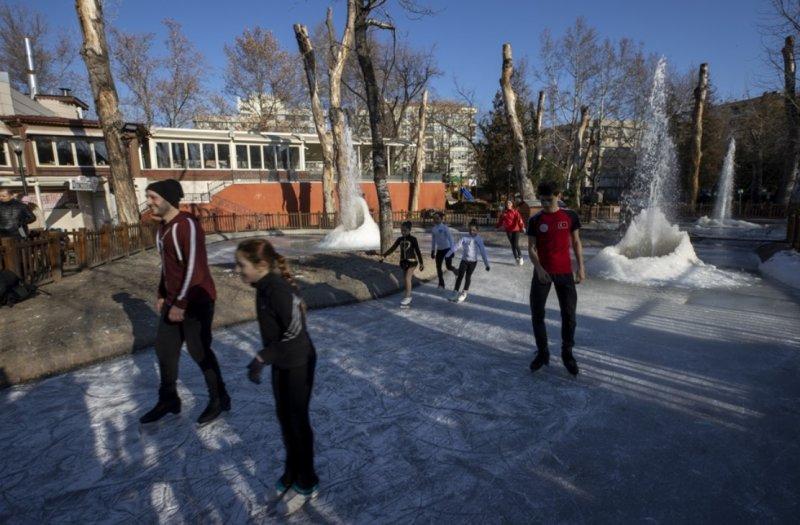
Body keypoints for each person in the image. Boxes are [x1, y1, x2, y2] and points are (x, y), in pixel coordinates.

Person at [237, 239, 319, 516]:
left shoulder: (277, 289)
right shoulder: (262, 287)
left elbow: (295, 331)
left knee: (297, 423)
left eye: (242, 265)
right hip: (283, 362)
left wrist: (263, 356)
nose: (239, 271)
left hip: (298, 361)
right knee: (285, 421)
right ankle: (291, 473)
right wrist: (268, 357)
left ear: (260, 265)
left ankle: (307, 483)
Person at [139, 179, 231, 426]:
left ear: (168, 199)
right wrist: (161, 293)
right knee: (164, 349)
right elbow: (168, 267)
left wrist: (181, 302)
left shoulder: (187, 224)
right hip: (174, 299)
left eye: (153, 198)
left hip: (196, 299)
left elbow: (194, 265)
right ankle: (169, 400)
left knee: (199, 350)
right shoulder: (162, 229)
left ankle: (218, 397)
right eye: (148, 197)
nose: (149, 203)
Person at [526, 181, 585, 376]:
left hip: (565, 273)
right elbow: (531, 248)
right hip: (543, 273)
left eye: (548, 200)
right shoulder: (535, 220)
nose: (544, 204)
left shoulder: (570, 216)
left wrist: (581, 268)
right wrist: (539, 268)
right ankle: (543, 353)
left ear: (558, 195)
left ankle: (567, 353)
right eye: (541, 200)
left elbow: (576, 242)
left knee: (569, 316)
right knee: (537, 314)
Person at [381, 220, 424, 307]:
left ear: (409, 230)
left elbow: (418, 251)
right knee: (405, 279)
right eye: (401, 230)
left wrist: (421, 263)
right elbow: (393, 248)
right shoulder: (399, 239)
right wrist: (384, 255)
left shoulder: (413, 239)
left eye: (405, 230)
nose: (403, 232)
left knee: (408, 278)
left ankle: (407, 297)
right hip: (403, 262)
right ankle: (407, 296)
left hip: (412, 262)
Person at [446, 219, 490, 303]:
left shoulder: (478, 239)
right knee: (460, 276)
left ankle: (464, 292)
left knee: (468, 277)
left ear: (477, 230)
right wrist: (448, 255)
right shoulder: (464, 238)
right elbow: (456, 246)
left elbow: (483, 252)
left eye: (474, 230)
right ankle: (455, 292)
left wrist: (486, 264)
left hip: (473, 262)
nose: (471, 232)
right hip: (464, 260)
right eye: (470, 230)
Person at [430, 211, 457, 289]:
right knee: (438, 267)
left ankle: (455, 270)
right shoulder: (433, 229)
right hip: (439, 251)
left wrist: (452, 250)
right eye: (434, 219)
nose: (435, 220)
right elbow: (433, 240)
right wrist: (432, 251)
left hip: (447, 249)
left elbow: (450, 238)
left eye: (437, 218)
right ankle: (441, 284)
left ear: (441, 219)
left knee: (448, 266)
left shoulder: (445, 227)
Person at [496, 200, 526, 265]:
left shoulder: (515, 212)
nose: (508, 204)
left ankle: (520, 257)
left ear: (512, 204)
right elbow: (501, 221)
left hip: (516, 230)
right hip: (508, 230)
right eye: (507, 203)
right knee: (512, 245)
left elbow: (519, 220)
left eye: (509, 203)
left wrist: (522, 227)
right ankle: (516, 258)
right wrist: (497, 226)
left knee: (516, 244)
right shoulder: (504, 213)